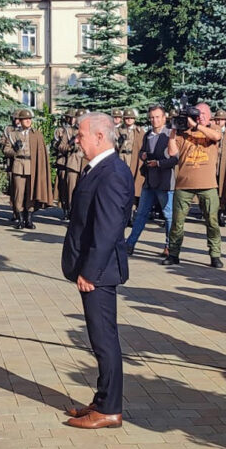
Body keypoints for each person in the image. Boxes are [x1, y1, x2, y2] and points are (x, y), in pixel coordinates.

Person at [61, 112, 133, 430]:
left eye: (81, 135)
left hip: (100, 272)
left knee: (104, 340)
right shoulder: (99, 168)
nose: (77, 139)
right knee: (99, 338)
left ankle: (109, 409)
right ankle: (103, 399)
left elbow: (106, 230)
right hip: (95, 269)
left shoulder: (113, 172)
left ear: (100, 137)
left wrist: (89, 272)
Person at [164, 102, 224, 268]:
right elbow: (171, 153)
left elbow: (216, 137)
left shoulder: (214, 129)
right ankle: (174, 254)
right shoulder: (184, 132)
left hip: (208, 184)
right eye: (198, 114)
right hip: (184, 184)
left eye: (204, 114)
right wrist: (173, 132)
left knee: (212, 221)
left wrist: (197, 126)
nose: (201, 116)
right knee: (177, 222)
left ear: (210, 116)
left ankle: (215, 254)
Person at [125, 105, 177, 258]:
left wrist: (159, 163)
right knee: (140, 214)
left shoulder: (171, 134)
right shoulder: (148, 134)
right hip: (149, 181)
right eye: (152, 117)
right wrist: (143, 156)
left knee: (168, 215)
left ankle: (169, 246)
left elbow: (175, 159)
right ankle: (130, 244)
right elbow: (142, 151)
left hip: (165, 182)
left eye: (157, 117)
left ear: (164, 118)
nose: (154, 120)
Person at [0, 108, 54, 230]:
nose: (28, 121)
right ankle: (20, 218)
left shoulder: (36, 134)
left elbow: (42, 152)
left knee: (31, 193)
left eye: (29, 119)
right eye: (26, 119)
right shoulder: (13, 134)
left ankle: (29, 218)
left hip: (32, 166)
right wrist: (14, 150)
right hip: (19, 164)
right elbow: (6, 150)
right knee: (19, 193)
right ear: (20, 121)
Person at [56, 109, 86, 219]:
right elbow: (61, 146)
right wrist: (70, 146)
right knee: (71, 190)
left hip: (85, 164)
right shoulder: (69, 131)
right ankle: (70, 211)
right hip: (72, 163)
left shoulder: (90, 131)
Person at [52, 110, 75, 217]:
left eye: (73, 117)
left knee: (72, 186)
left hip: (73, 161)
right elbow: (55, 145)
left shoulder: (77, 129)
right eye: (69, 117)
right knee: (63, 186)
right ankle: (65, 208)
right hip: (62, 161)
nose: (71, 120)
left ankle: (71, 209)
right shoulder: (60, 130)